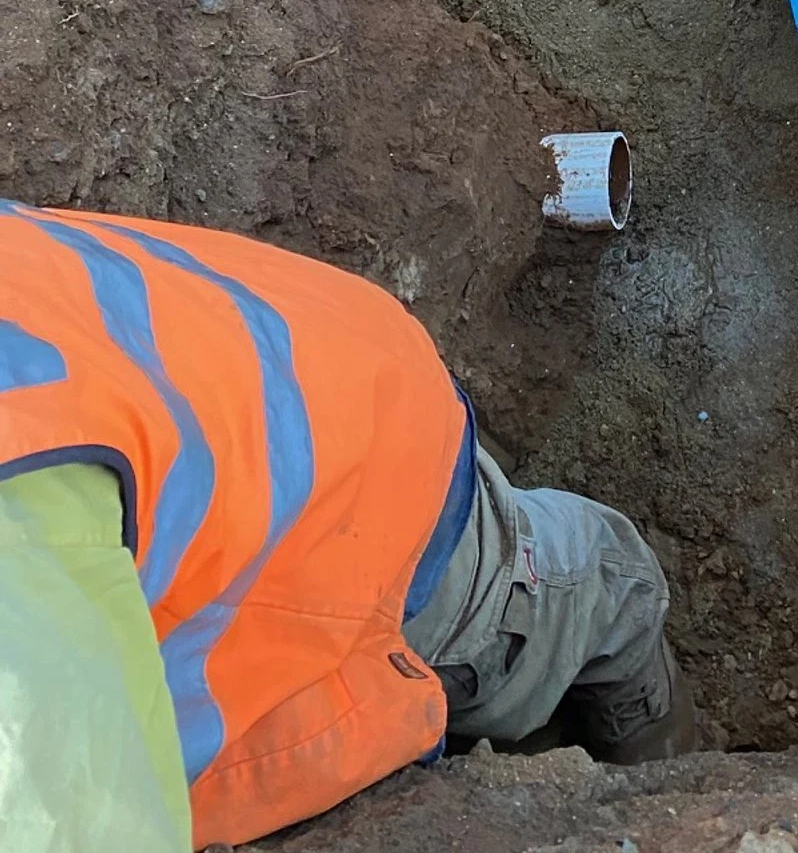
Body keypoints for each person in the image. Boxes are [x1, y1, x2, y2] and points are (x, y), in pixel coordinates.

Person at [0, 201, 693, 848]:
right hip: (317, 500)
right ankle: (663, 768)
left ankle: (668, 773)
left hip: (351, 458)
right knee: (608, 579)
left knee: (602, 582)